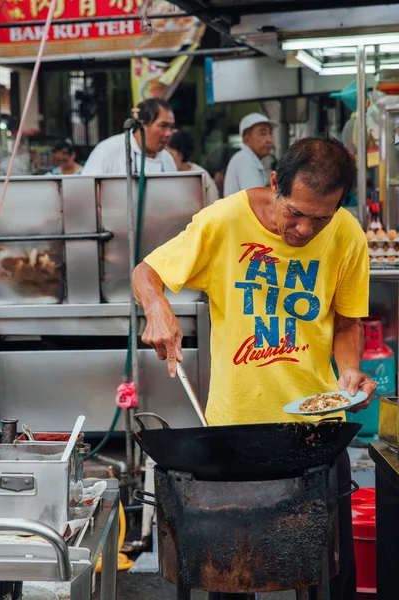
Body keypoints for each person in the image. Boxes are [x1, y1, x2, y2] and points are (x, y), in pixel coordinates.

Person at [133, 136, 377, 600]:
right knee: (230, 571)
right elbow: (146, 273)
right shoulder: (225, 220)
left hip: (316, 427)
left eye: (320, 218)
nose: (306, 230)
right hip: (237, 426)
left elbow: (348, 322)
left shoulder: (346, 234)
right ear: (275, 185)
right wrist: (157, 308)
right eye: (296, 213)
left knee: (331, 573)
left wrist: (349, 371)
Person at [82, 98, 177, 175]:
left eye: (171, 127)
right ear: (142, 124)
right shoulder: (108, 151)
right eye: (163, 126)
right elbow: (87, 190)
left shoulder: (167, 159)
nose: (168, 133)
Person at [224, 113, 275, 196]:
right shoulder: (244, 160)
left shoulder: (248, 158)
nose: (269, 139)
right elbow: (256, 200)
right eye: (263, 134)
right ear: (246, 139)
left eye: (270, 133)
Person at [167, 129, 219, 204]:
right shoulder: (164, 174)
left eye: (170, 154)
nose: (166, 159)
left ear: (181, 154)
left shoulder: (201, 177)